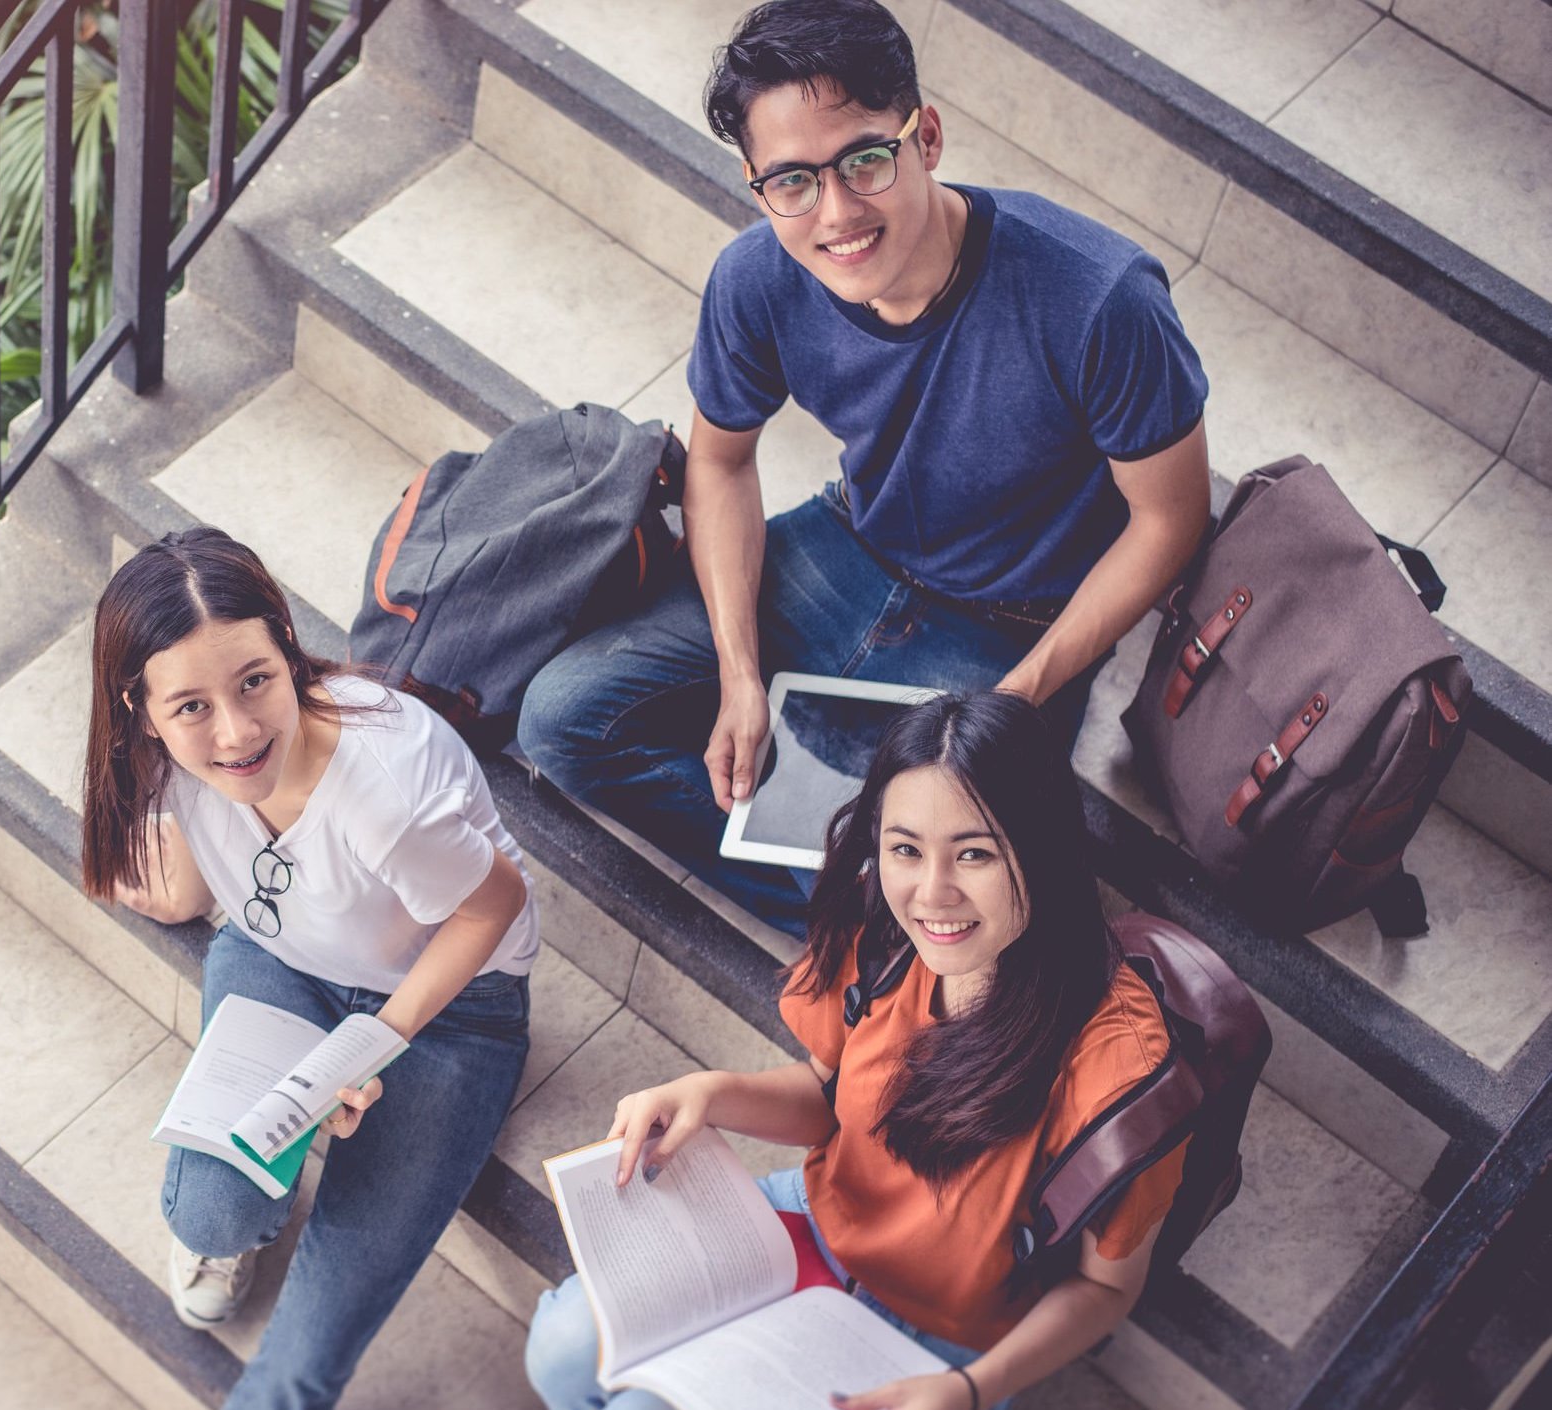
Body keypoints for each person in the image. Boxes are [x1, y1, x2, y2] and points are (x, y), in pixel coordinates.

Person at [517, 0, 1212, 931]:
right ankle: (841, 925)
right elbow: (717, 467)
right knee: (561, 719)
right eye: (793, 182)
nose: (836, 214)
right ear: (756, 185)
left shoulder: (1095, 297)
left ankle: (879, 919)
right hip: (847, 547)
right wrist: (736, 671)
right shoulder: (756, 277)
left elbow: (1168, 520)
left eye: (864, 161)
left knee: (952, 867)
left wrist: (1014, 704)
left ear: (924, 135)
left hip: (1008, 627)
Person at [523, 691, 1189, 1410]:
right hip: (813, 1225)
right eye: (905, 849)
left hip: (942, 1343)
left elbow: (1104, 1287)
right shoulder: (881, 930)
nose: (931, 895)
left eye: (974, 854)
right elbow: (826, 1097)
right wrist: (709, 1093)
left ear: (1042, 850)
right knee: (560, 1353)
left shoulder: (1121, 1064)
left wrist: (969, 1389)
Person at [80, 527, 540, 1409]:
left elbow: (495, 904)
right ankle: (238, 1221)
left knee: (300, 1365)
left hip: (449, 1008)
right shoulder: (159, 756)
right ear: (140, 709)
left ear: (286, 651)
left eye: (255, 680)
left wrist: (372, 1044)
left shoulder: (384, 793)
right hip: (278, 953)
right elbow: (214, 841)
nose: (237, 731)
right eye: (192, 707)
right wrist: (182, 888)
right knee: (210, 1212)